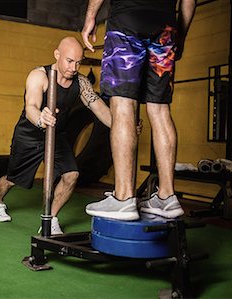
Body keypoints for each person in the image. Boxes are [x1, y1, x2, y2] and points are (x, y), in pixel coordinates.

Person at [81, 0, 197, 220]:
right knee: (161, 109)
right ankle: (167, 196)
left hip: (127, 20)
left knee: (123, 105)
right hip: (165, 24)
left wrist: (90, 17)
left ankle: (123, 198)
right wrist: (179, 35)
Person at [0, 37, 114, 235]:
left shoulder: (80, 83)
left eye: (79, 62)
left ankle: (52, 218)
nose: (74, 67)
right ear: (57, 55)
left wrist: (122, 128)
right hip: (30, 134)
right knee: (13, 179)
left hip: (57, 135)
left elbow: (98, 107)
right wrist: (41, 119)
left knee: (71, 175)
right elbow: (31, 107)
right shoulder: (39, 76)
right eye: (69, 61)